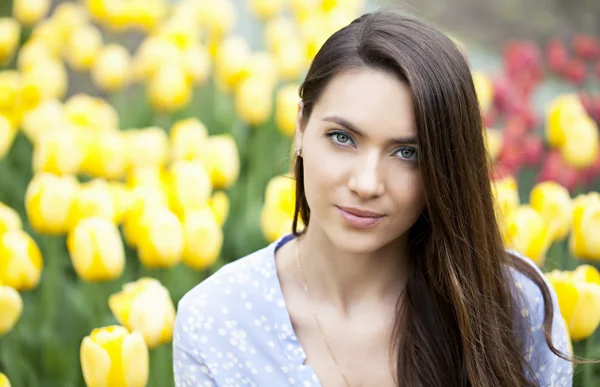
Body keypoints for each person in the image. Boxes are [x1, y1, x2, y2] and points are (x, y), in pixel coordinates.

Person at [173, 8, 573, 387]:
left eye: (407, 153)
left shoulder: (515, 307)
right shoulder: (218, 320)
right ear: (300, 128)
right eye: (342, 138)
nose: (366, 184)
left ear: (446, 166)